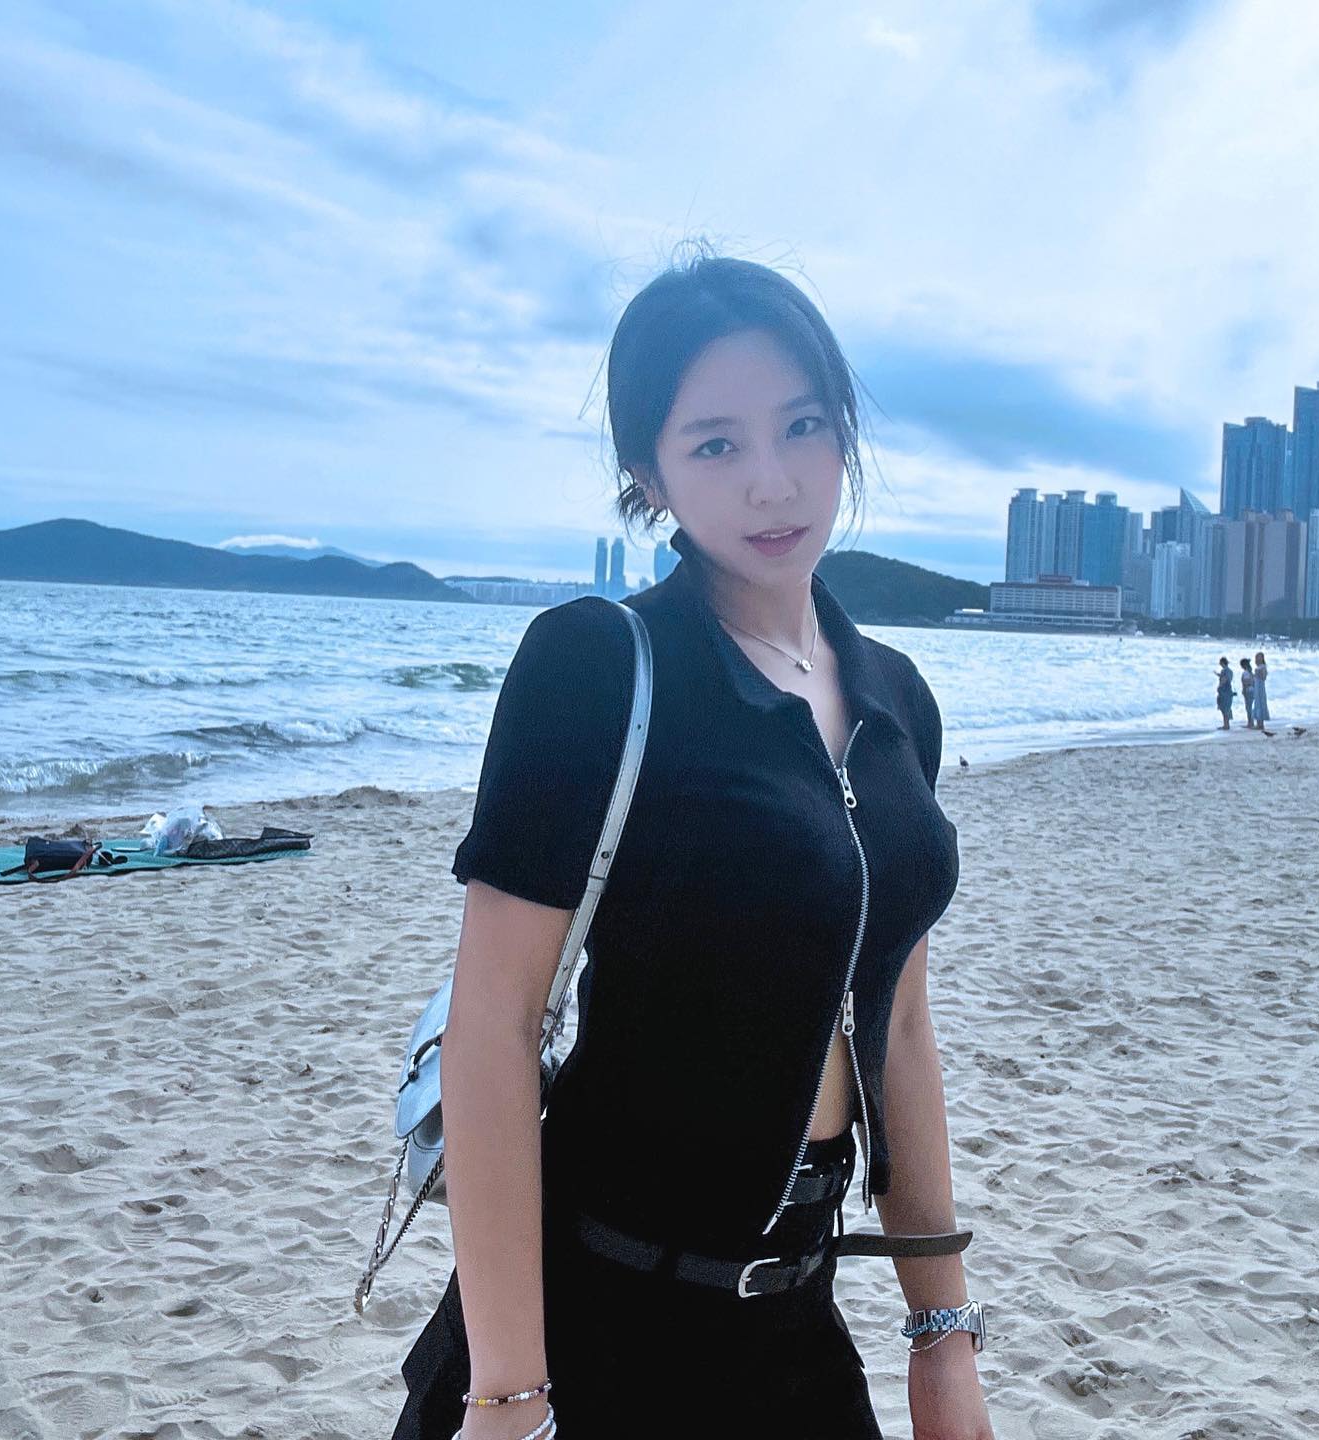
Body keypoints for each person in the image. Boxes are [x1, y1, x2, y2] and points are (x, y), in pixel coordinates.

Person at [391, 252, 992, 1440]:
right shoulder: (596, 668)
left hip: (797, 1326)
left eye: (802, 426)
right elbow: (493, 1025)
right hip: (596, 1318)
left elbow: (901, 1026)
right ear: (647, 475)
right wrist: (509, 1396)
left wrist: (940, 1331)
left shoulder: (895, 701)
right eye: (715, 444)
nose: (773, 481)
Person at [1251, 651, 1271, 730]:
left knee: (1260, 703)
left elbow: (1264, 677)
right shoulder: (1260, 667)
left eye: (1259, 657)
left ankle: (1260, 724)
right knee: (1257, 703)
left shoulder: (1263, 667)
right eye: (1256, 657)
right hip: (1257, 686)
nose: (1257, 659)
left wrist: (1258, 674)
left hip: (1260, 687)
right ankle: (1258, 723)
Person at [1216, 658, 1234, 730]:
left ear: (1222, 663)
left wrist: (1219, 686)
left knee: (1224, 708)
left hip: (1224, 691)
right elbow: (1227, 678)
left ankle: (1226, 725)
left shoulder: (1224, 670)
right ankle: (1226, 724)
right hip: (1229, 690)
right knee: (1227, 708)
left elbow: (1224, 679)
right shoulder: (1230, 671)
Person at [1239, 658, 1256, 728]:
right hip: (1253, 690)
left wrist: (1244, 690)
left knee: (1248, 707)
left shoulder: (1245, 673)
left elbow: (1246, 683)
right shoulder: (1250, 672)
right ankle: (1251, 722)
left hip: (1248, 690)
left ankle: (1250, 723)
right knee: (1250, 707)